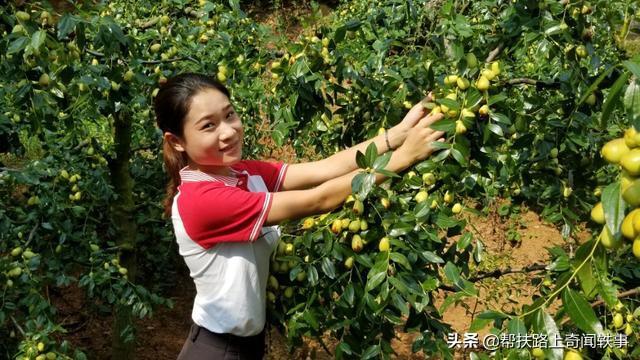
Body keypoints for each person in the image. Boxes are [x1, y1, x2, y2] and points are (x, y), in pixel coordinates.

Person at [153, 73, 445, 360]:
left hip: (247, 345)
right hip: (216, 349)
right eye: (208, 126)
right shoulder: (201, 201)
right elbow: (319, 198)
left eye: (229, 115)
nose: (228, 131)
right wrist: (404, 157)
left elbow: (325, 168)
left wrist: (397, 134)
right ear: (177, 141)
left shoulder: (243, 172)